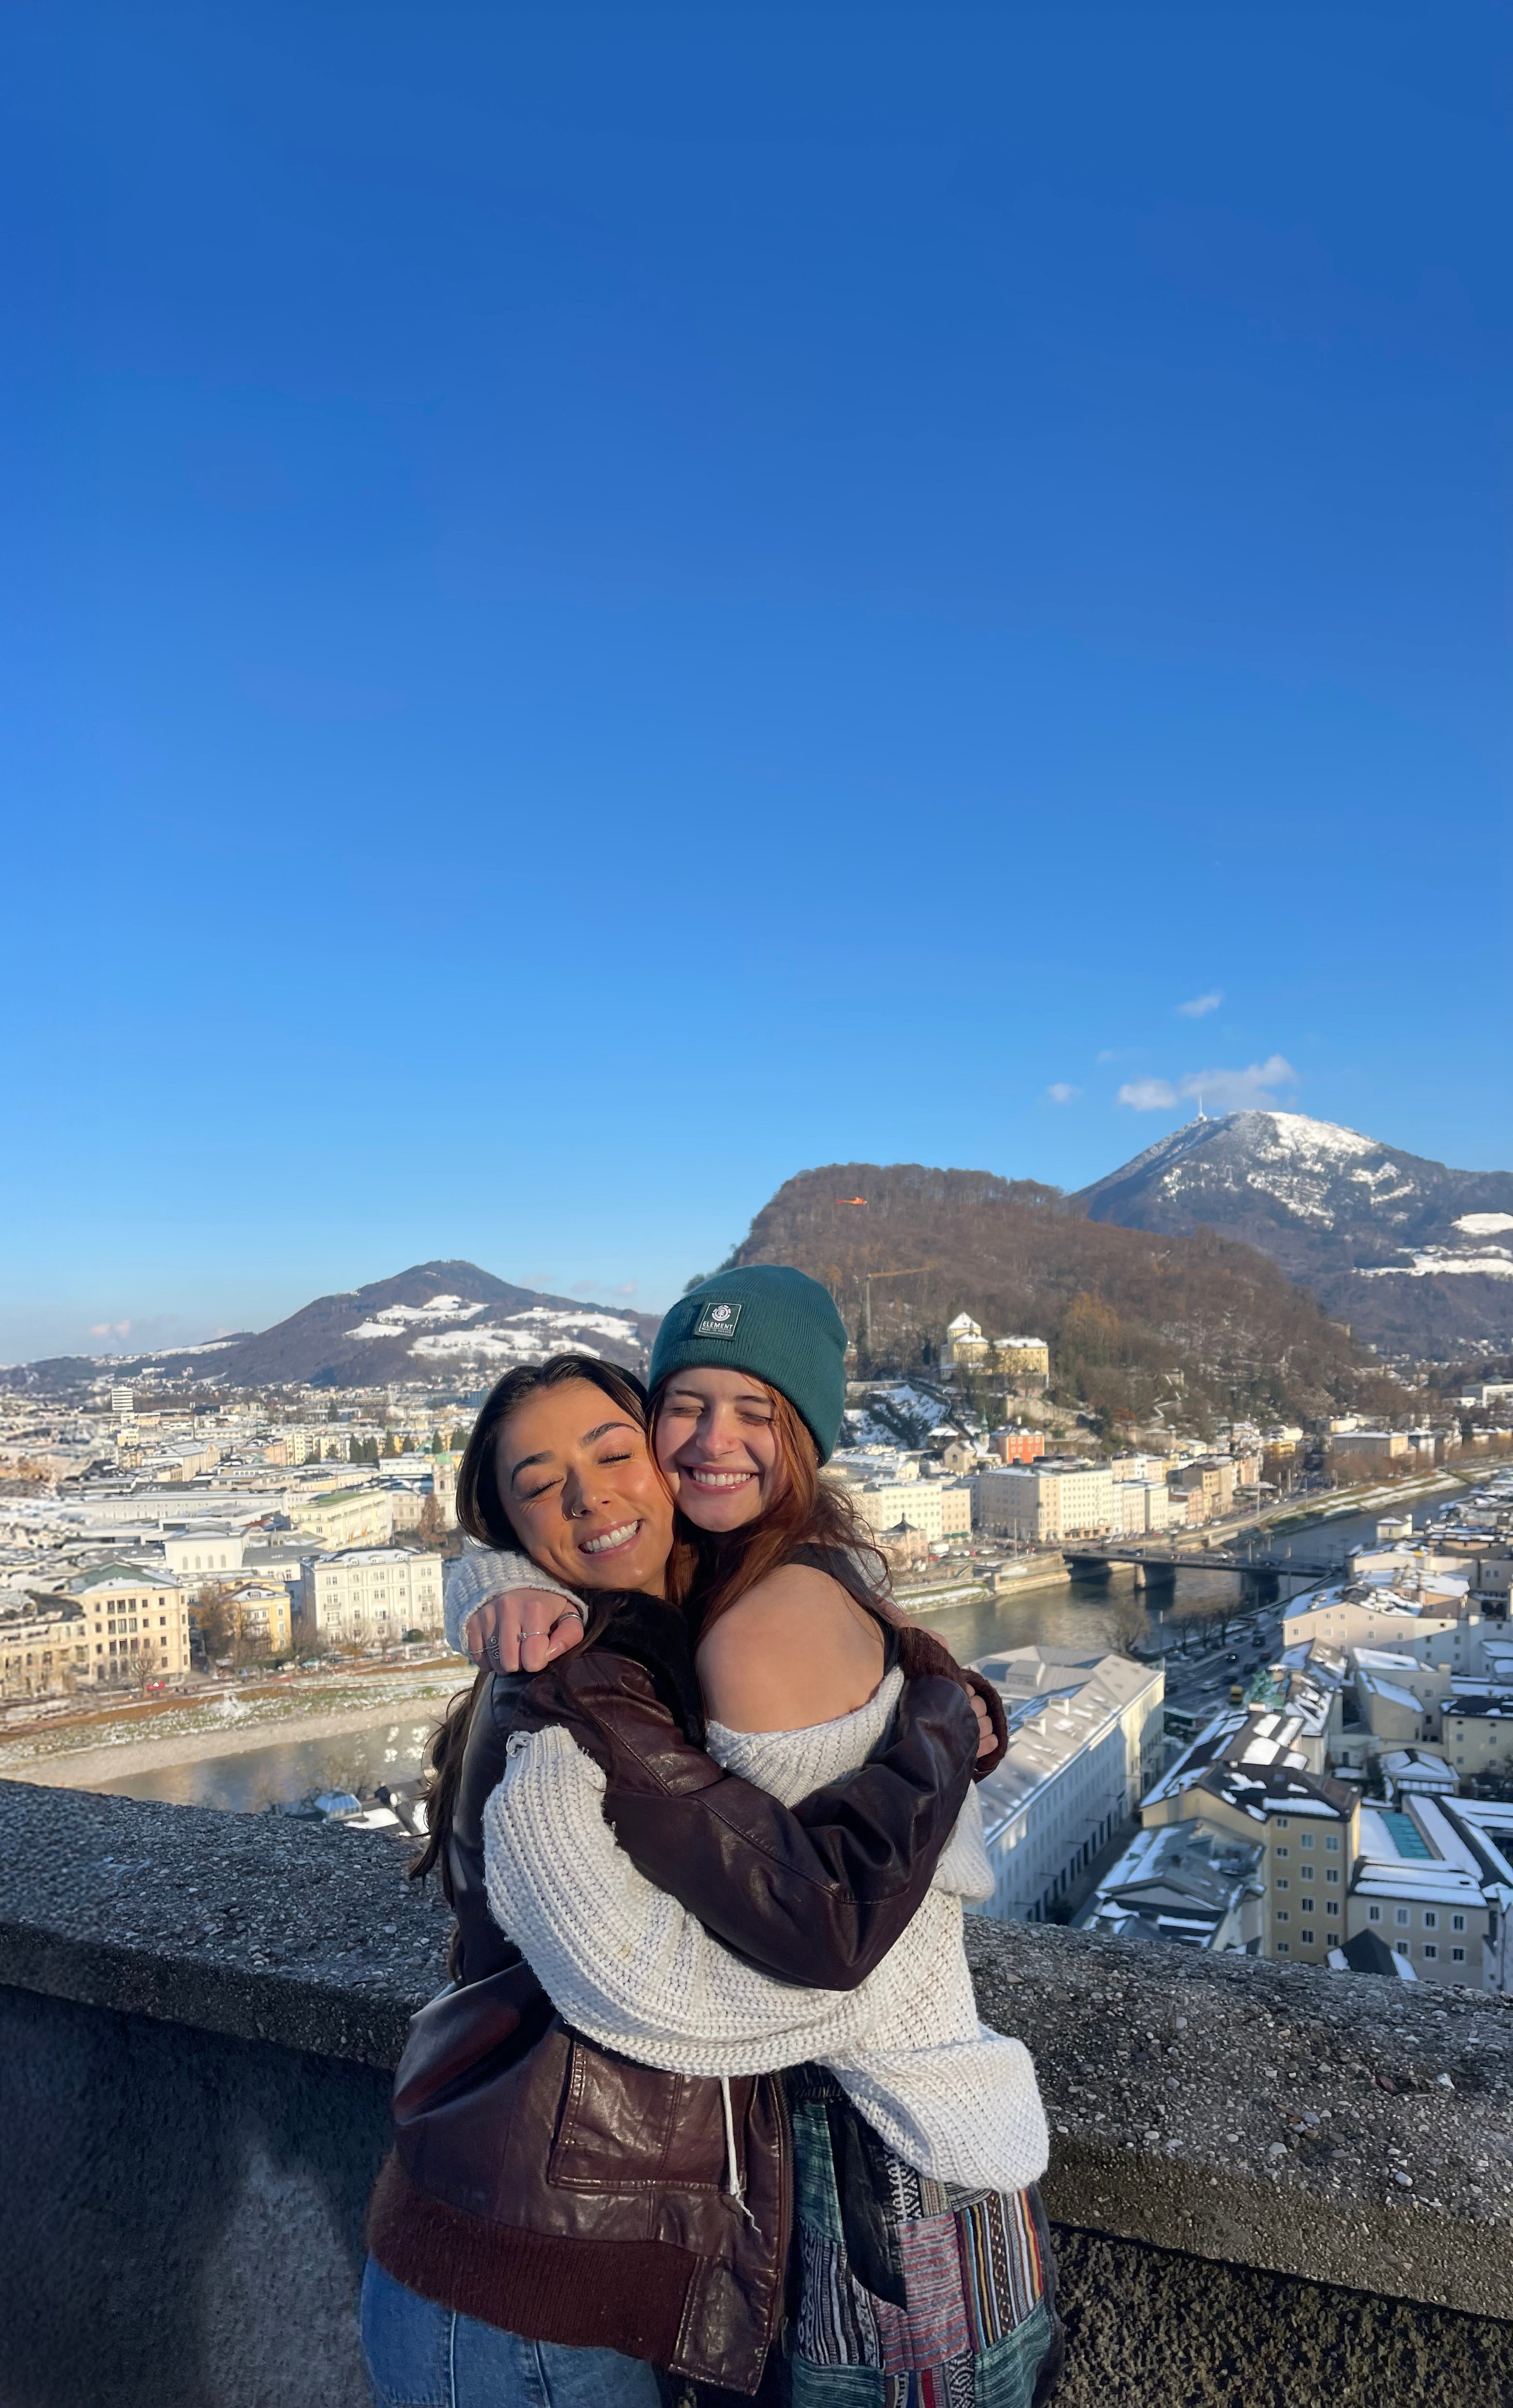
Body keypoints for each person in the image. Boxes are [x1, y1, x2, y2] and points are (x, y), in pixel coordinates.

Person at [401, 1268, 1061, 2403]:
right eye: (539, 1484)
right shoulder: (564, 1691)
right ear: (503, 1520)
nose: (596, 1492)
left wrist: (951, 1711)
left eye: (614, 1451)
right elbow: (734, 1965)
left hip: (699, 2237)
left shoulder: (715, 1609)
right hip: (527, 2290)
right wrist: (948, 1730)